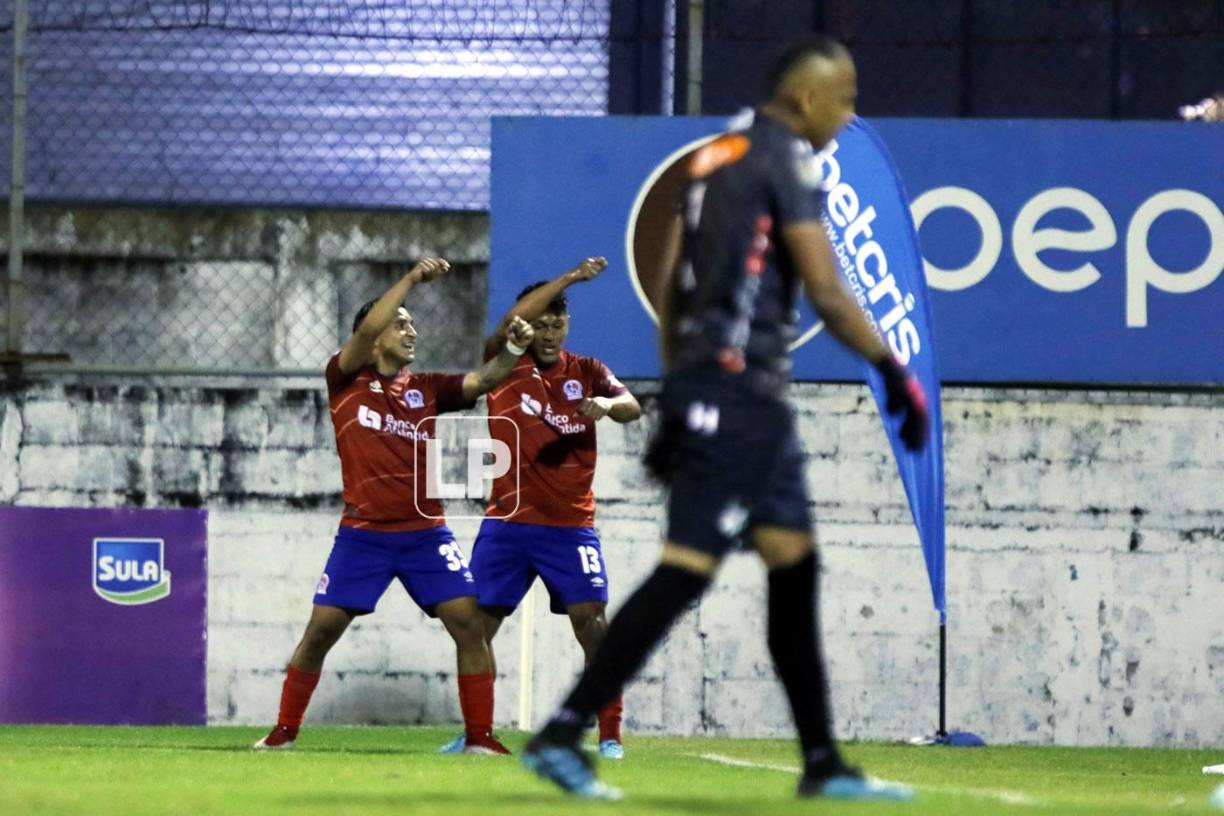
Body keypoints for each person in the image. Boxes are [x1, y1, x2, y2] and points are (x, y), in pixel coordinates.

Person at [521, 36, 929, 801]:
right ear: (807, 97)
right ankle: (563, 731)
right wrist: (895, 373)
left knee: (792, 564)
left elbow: (673, 286)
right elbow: (828, 291)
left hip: (721, 392)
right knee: (687, 568)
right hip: (741, 396)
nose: (847, 116)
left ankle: (822, 764)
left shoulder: (713, 159)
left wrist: (679, 391)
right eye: (844, 99)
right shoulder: (786, 161)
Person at [254, 257, 536, 755]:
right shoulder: (344, 377)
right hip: (363, 535)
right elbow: (365, 330)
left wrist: (514, 348)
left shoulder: (426, 389)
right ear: (376, 335)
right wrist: (410, 280)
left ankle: (479, 738)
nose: (411, 331)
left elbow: (482, 381)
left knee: (470, 626)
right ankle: (284, 732)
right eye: (401, 324)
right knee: (320, 633)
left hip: (425, 535)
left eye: (412, 324)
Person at [439, 256, 642, 759]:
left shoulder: (588, 371)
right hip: (507, 524)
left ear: (567, 324)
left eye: (558, 323)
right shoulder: (503, 363)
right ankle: (478, 734)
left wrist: (606, 406)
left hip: (569, 526)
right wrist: (570, 276)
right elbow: (510, 324)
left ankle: (610, 735)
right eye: (541, 324)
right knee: (476, 629)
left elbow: (632, 407)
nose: (549, 334)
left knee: (593, 625)